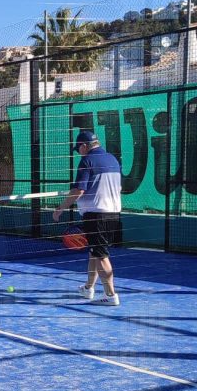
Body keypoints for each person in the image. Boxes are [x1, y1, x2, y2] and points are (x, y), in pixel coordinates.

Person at [52, 130, 122, 306]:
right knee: (94, 252)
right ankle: (88, 288)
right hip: (113, 213)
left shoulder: (87, 160)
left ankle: (111, 295)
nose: (79, 152)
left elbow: (79, 190)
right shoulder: (112, 160)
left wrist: (60, 208)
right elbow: (119, 188)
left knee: (101, 255)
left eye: (78, 149)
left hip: (96, 215)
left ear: (84, 146)